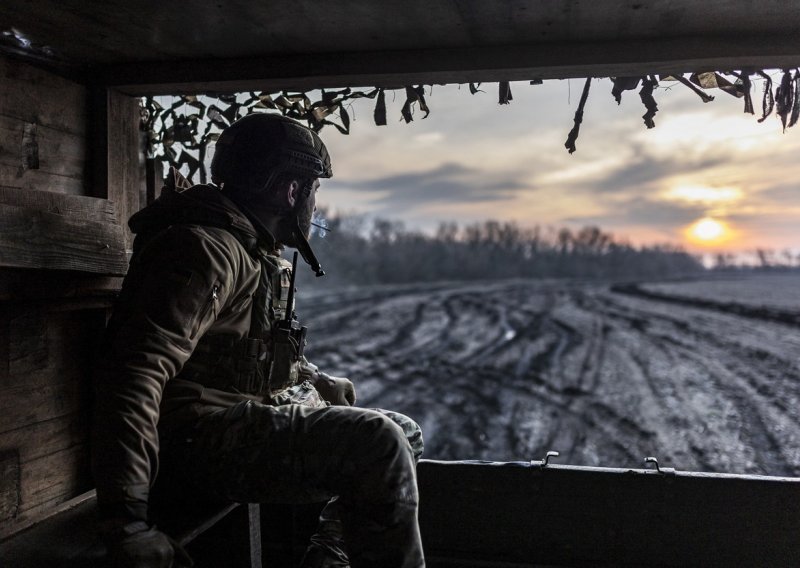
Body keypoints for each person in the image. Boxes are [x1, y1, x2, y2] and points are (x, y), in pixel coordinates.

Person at [92, 113, 425, 568]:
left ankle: (329, 560)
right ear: (290, 190)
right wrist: (127, 522)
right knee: (379, 441)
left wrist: (314, 377)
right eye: (313, 190)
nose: (313, 205)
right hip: (191, 445)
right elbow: (133, 375)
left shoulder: (249, 248)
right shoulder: (205, 250)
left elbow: (238, 350)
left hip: (231, 424)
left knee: (403, 432)